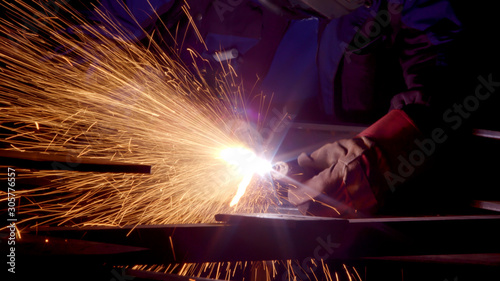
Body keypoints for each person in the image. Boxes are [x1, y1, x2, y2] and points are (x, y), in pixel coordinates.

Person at [86, 0, 463, 217]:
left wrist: (422, 96)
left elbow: (422, 15)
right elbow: (82, 41)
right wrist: (123, 88)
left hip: (320, 110)